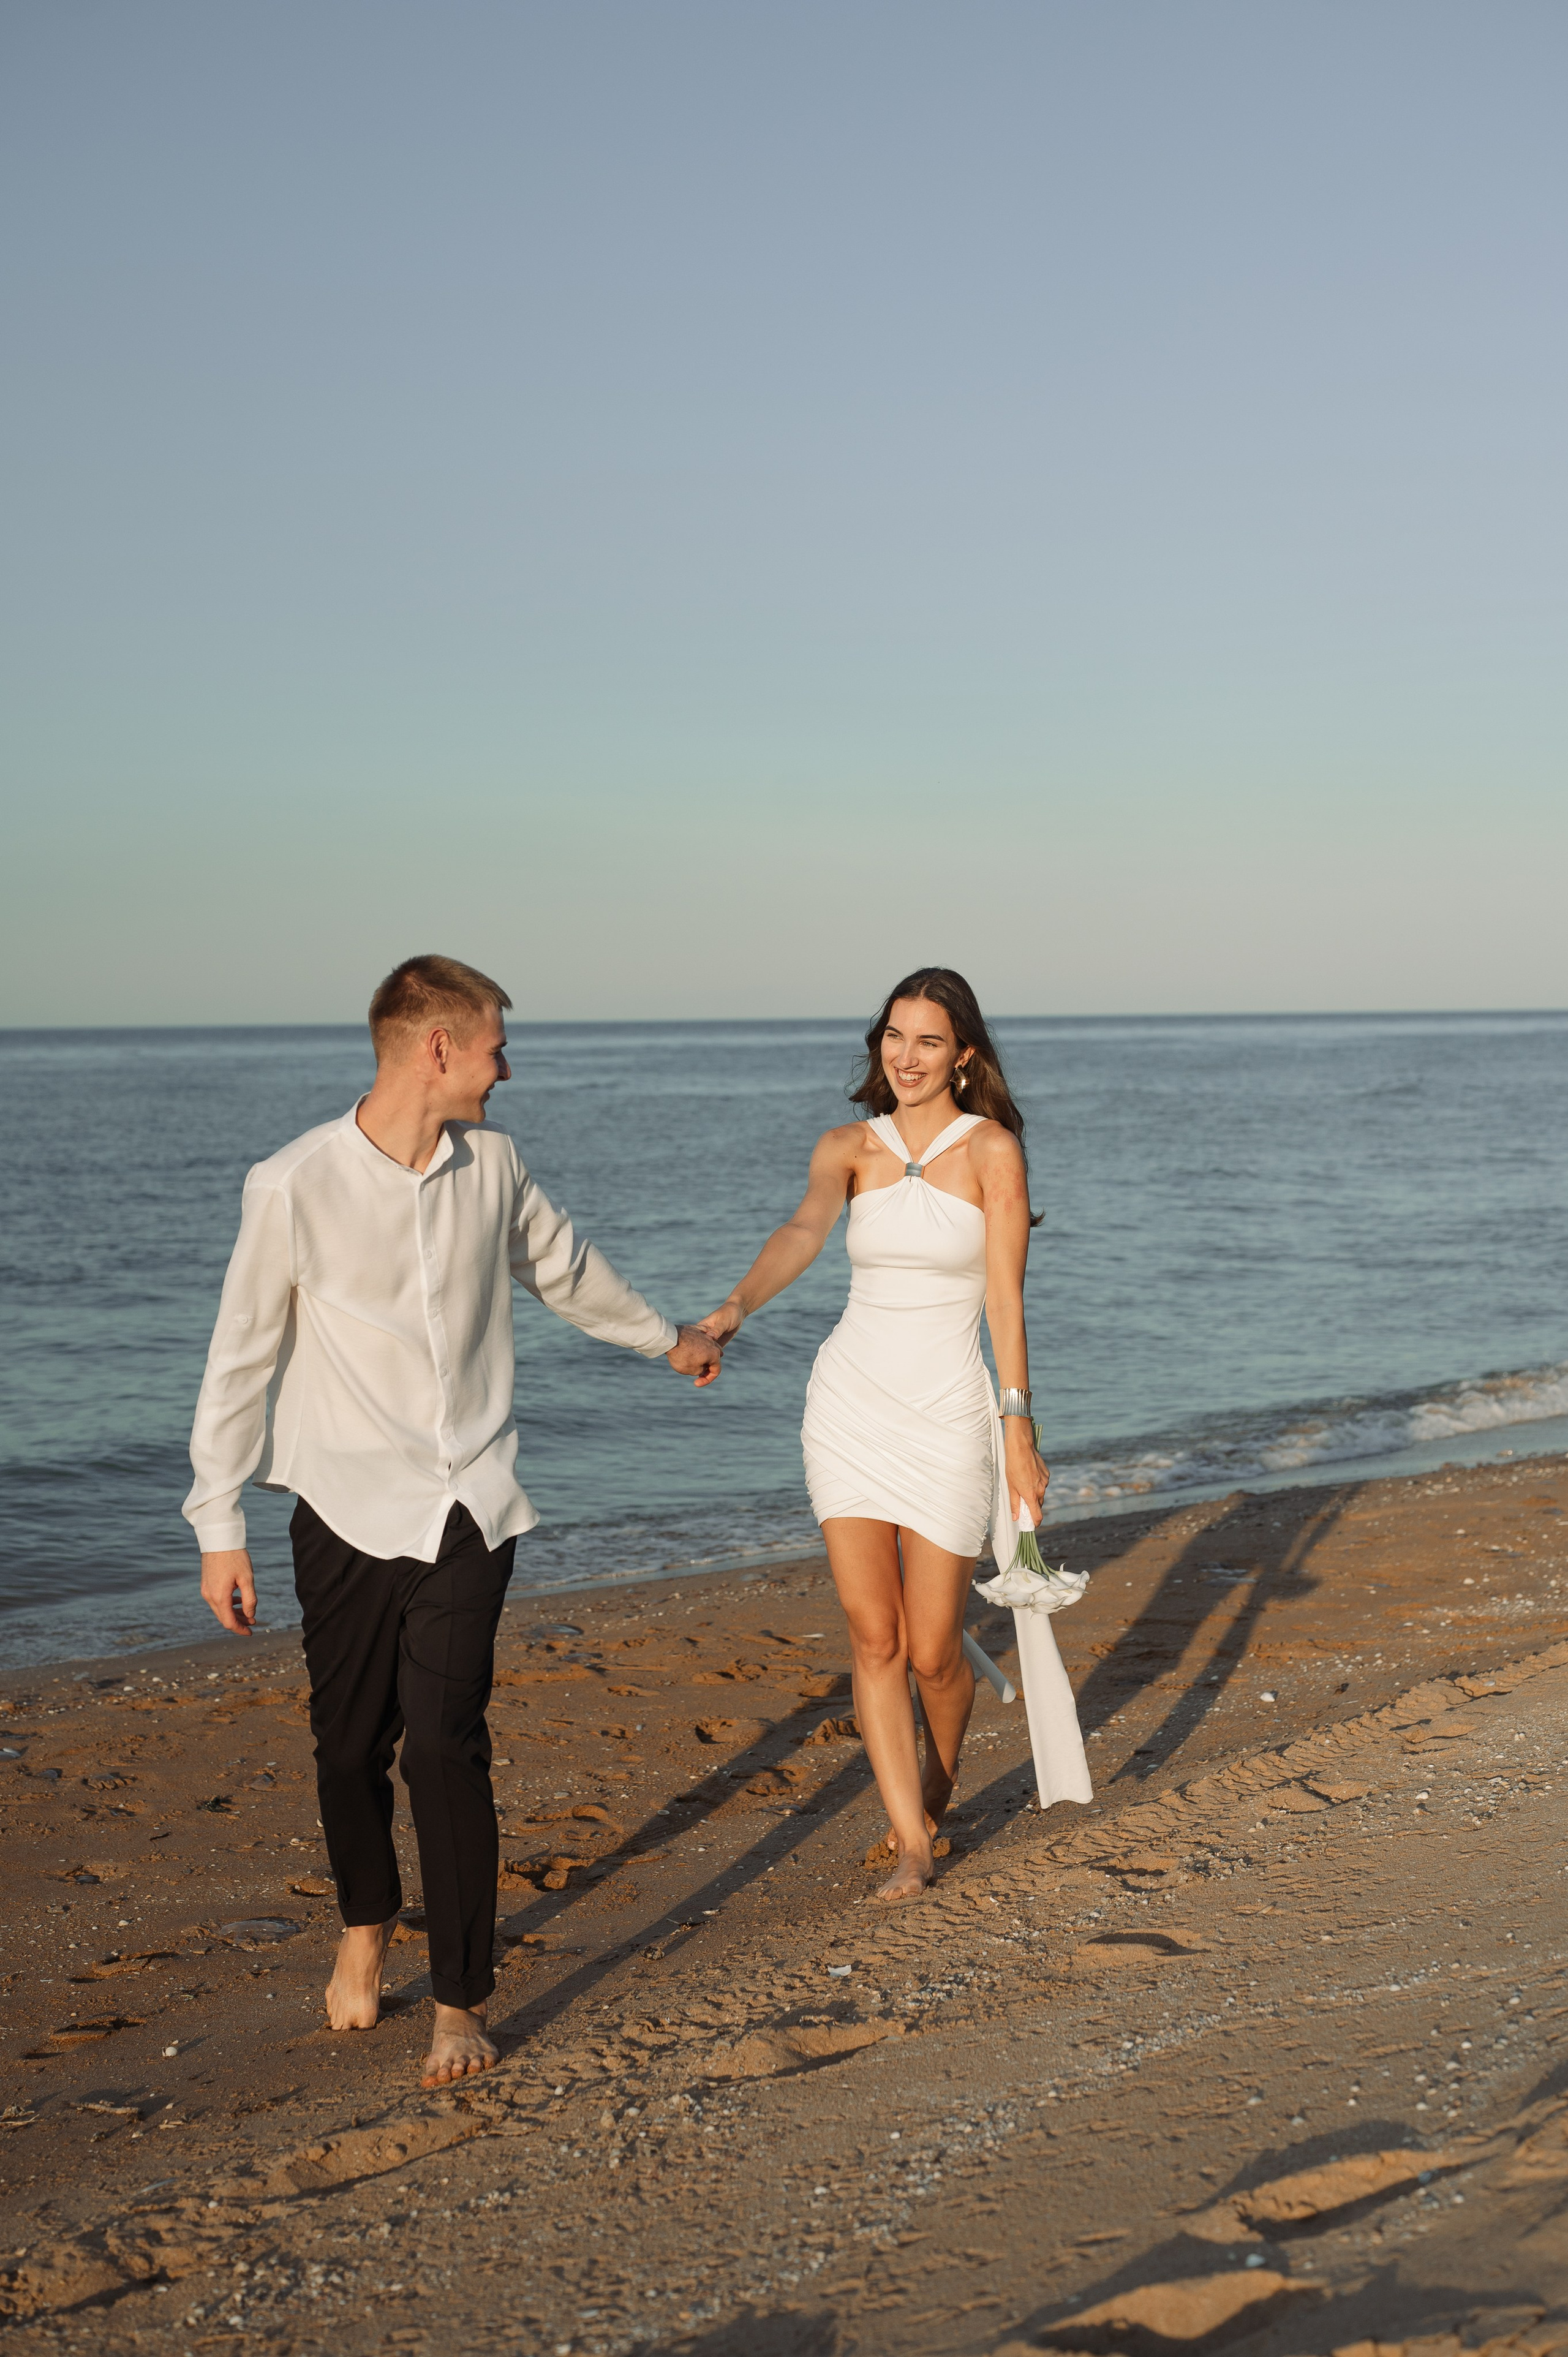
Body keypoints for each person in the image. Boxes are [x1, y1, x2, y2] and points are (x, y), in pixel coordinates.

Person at [183, 954, 722, 2084]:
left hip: (472, 1501)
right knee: (346, 1749)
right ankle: (367, 1922)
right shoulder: (293, 1183)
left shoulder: (498, 1167)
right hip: (341, 1506)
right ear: (436, 1049)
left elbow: (566, 1272)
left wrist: (666, 1339)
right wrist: (216, 1523)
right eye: (494, 1047)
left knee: (444, 1746)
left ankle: (460, 2003)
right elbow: (241, 1362)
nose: (506, 1068)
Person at [699, 966, 1068, 1902]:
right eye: (894, 1037)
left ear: (964, 1053)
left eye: (929, 1041)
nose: (906, 1057)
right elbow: (800, 1230)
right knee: (874, 1637)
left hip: (948, 1411)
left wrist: (1017, 1428)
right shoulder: (846, 1148)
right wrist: (732, 1310)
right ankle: (913, 1842)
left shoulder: (993, 1153)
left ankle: (937, 1781)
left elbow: (1005, 1301)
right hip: (850, 1405)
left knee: (937, 1645)